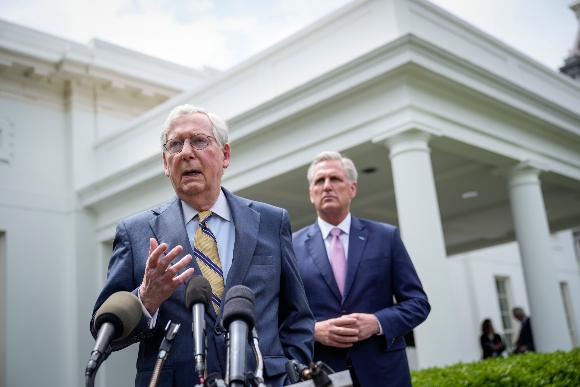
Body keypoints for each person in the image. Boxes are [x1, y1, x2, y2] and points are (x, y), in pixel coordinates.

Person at [90, 105, 314, 387]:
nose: (186, 152)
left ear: (225, 155)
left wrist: (294, 378)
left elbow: (297, 316)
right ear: (165, 162)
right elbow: (103, 330)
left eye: (199, 140)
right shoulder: (135, 233)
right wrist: (146, 300)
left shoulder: (271, 221)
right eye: (175, 144)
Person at [292, 151, 430, 387]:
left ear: (352, 188)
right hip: (321, 374)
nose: (327, 186)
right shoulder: (290, 246)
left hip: (384, 374)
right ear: (311, 194)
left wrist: (377, 323)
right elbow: (278, 315)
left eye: (335, 179)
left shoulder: (386, 237)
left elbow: (418, 303)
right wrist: (313, 330)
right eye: (319, 181)